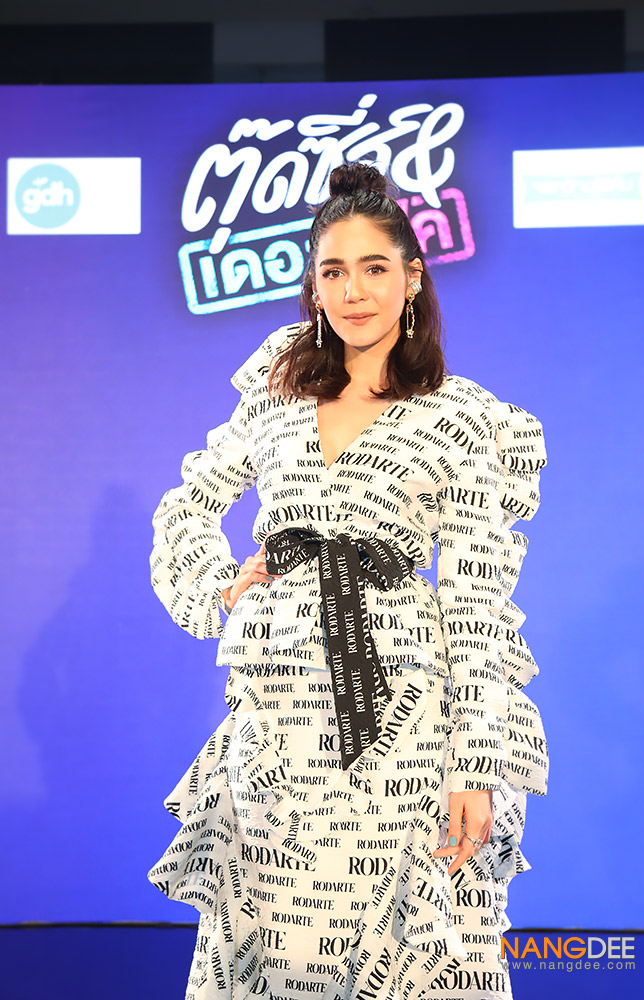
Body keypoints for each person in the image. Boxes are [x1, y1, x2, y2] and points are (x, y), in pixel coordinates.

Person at [147, 162, 549, 1000]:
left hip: (405, 728)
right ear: (313, 286)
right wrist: (220, 586)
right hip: (277, 726)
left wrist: (474, 763)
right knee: (272, 949)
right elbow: (187, 504)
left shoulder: (461, 418)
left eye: (373, 268)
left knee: (413, 950)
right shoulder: (276, 394)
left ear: (412, 278)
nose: (353, 291)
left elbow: (477, 606)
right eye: (333, 271)